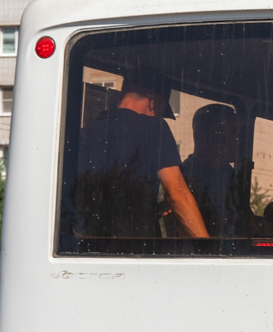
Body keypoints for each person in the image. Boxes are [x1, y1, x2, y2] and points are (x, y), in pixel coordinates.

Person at [74, 77, 208, 239]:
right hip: (136, 248)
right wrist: (206, 248)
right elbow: (177, 193)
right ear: (153, 101)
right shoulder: (154, 127)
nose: (158, 116)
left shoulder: (82, 134)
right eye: (161, 109)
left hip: (87, 246)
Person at [180, 104, 248, 236]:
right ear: (215, 136)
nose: (239, 141)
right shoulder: (187, 178)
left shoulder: (230, 174)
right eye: (234, 133)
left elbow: (245, 218)